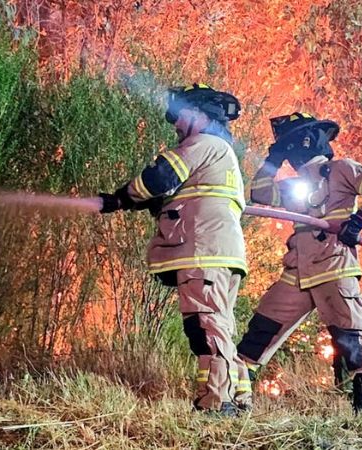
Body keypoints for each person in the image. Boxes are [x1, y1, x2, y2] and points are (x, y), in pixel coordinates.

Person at [99, 83, 251, 416]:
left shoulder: (203, 143)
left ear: (197, 115)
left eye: (180, 119)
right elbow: (168, 194)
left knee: (205, 328)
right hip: (219, 252)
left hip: (203, 252)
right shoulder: (220, 153)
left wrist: (123, 195)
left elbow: (158, 178)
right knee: (218, 325)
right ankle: (237, 399)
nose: (177, 127)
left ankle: (217, 402)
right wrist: (129, 202)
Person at [236, 112, 362, 413]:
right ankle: (236, 402)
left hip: (334, 267)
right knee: (259, 334)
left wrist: (361, 219)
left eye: (288, 146)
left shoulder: (342, 169)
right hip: (297, 272)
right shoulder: (294, 185)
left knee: (352, 341)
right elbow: (258, 193)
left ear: (305, 141)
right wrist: (272, 161)